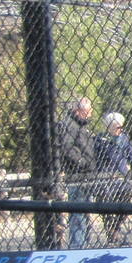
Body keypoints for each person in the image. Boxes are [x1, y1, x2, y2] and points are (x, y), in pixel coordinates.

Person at [94, 111, 132, 246]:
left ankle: (116, 228)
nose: (121, 129)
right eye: (118, 127)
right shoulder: (100, 140)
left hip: (121, 178)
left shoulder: (124, 139)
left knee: (127, 197)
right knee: (105, 201)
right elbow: (96, 160)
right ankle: (111, 232)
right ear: (109, 127)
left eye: (121, 127)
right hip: (106, 178)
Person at [54, 97, 97, 249]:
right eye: (89, 110)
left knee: (85, 212)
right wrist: (82, 162)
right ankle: (77, 246)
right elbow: (67, 148)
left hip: (86, 175)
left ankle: (83, 244)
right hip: (77, 175)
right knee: (78, 213)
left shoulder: (81, 126)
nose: (91, 113)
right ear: (79, 111)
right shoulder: (71, 125)